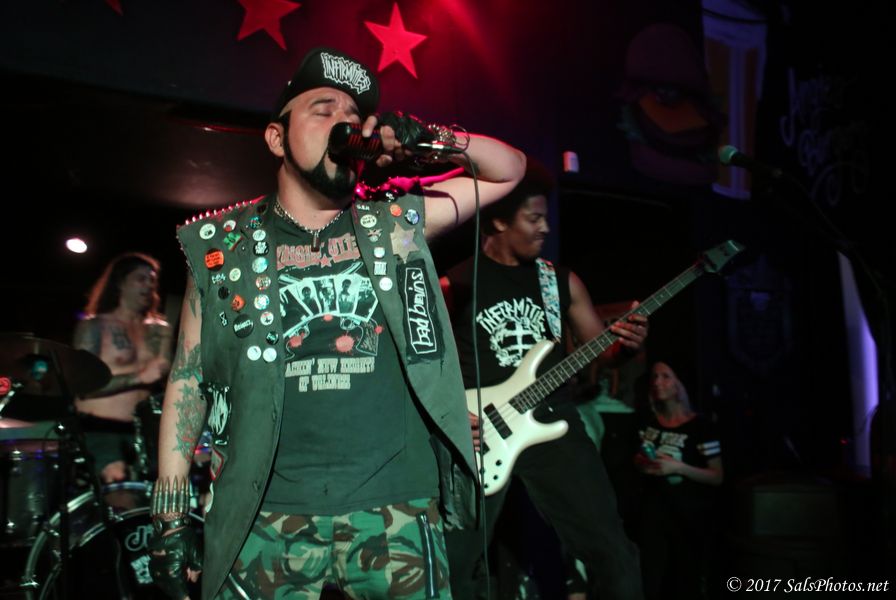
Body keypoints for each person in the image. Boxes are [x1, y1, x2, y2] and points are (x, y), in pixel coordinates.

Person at [148, 46, 526, 600]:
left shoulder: (395, 224)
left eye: (353, 114)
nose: (344, 122)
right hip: (265, 516)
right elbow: (188, 379)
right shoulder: (223, 247)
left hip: (395, 509)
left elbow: (509, 170)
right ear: (276, 138)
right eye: (323, 109)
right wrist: (170, 516)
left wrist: (427, 137)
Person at [441, 160, 647, 599]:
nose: (545, 228)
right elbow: (426, 367)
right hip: (480, 432)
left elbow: (605, 353)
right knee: (457, 564)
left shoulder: (560, 282)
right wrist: (452, 415)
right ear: (499, 220)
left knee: (612, 551)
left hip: (552, 420)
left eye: (546, 218)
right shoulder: (454, 284)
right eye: (533, 218)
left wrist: (626, 346)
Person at [72, 251, 173, 483]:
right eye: (140, 279)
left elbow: (164, 378)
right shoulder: (95, 327)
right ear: (120, 282)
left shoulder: (158, 329)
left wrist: (166, 344)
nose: (149, 286)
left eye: (152, 280)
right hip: (99, 429)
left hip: (143, 431)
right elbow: (83, 387)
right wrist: (138, 377)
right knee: (120, 491)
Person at [633, 360, 723, 600]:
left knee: (683, 581)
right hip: (652, 515)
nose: (657, 382)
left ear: (679, 384)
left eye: (665, 376)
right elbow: (637, 460)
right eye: (654, 377)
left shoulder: (701, 427)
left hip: (687, 517)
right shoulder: (649, 422)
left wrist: (678, 467)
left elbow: (717, 476)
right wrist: (642, 462)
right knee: (650, 578)